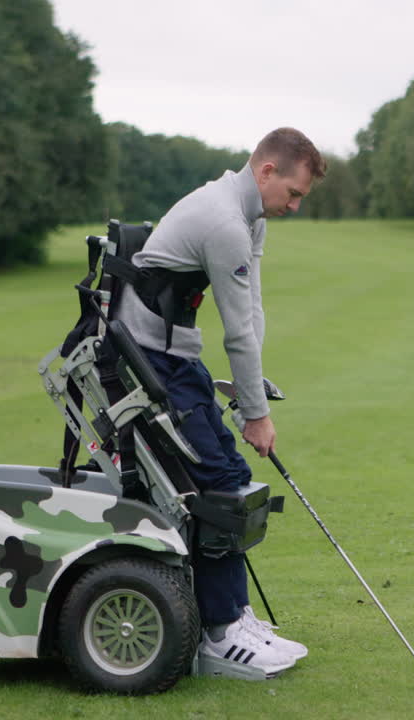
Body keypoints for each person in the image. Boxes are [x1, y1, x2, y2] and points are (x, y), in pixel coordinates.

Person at [115, 127, 325, 676]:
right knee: (218, 480)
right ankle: (220, 633)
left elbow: (251, 311)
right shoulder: (226, 222)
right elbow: (235, 334)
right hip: (148, 360)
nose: (295, 207)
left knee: (227, 472)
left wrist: (252, 390)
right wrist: (256, 414)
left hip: (176, 359)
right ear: (267, 172)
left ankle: (233, 616)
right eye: (294, 194)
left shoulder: (249, 216)